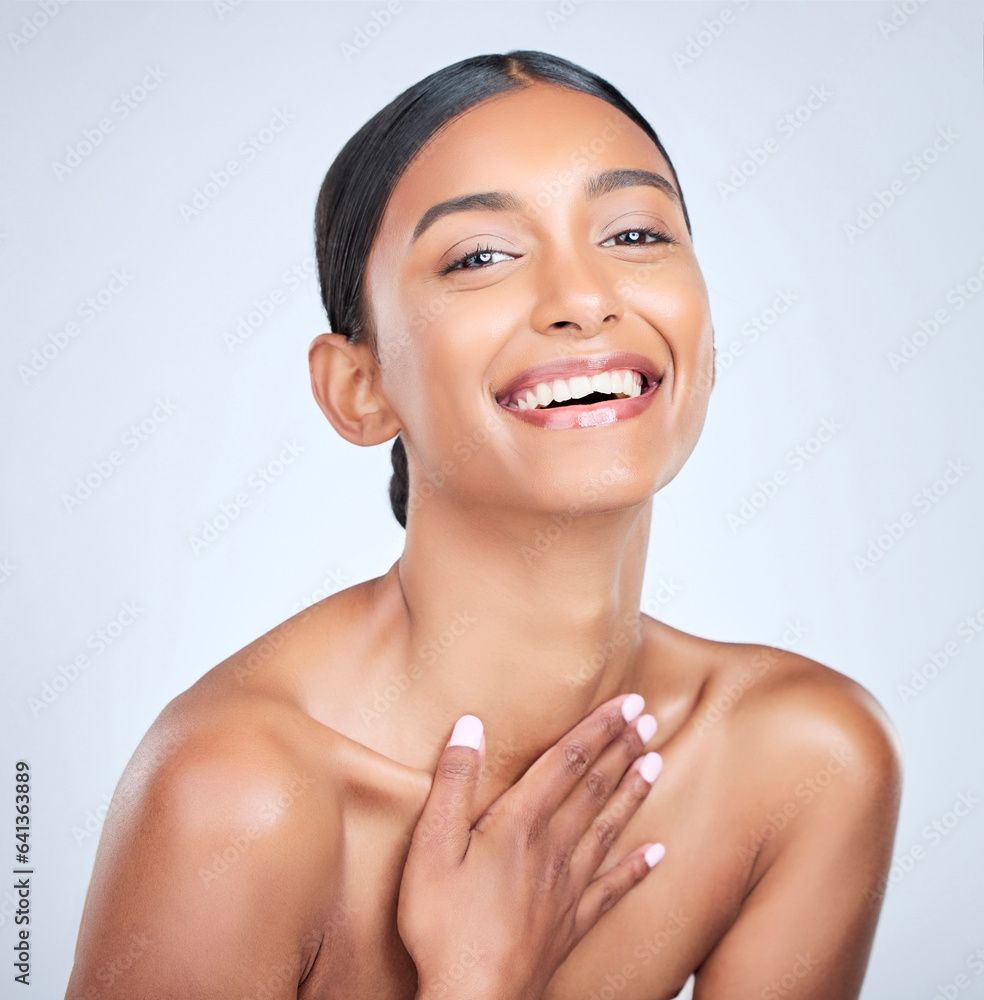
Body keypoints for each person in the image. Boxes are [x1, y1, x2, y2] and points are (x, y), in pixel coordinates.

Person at [64, 51, 902, 1000]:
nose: (585, 299)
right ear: (359, 388)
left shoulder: (802, 760)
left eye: (634, 234)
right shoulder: (238, 799)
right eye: (480, 257)